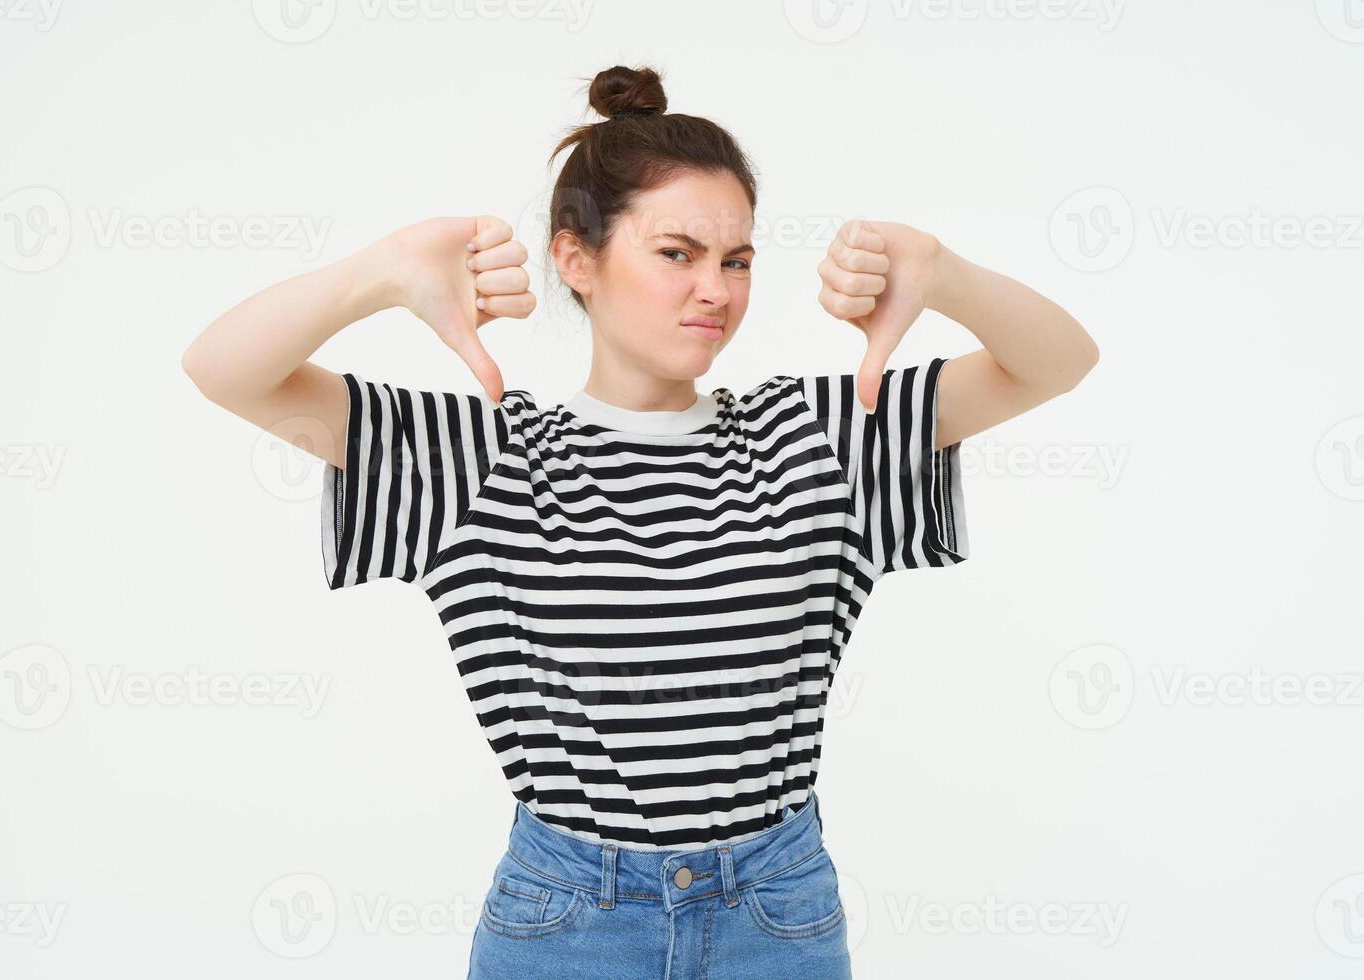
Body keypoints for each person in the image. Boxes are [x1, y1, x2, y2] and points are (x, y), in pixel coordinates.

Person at [182, 63, 1098, 980]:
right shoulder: (483, 458)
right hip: (568, 920)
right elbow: (226, 370)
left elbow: (1057, 361)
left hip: (776, 913)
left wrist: (943, 274)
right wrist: (379, 274)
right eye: (677, 254)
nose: (716, 290)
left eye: (736, 260)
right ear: (576, 259)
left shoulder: (816, 435)